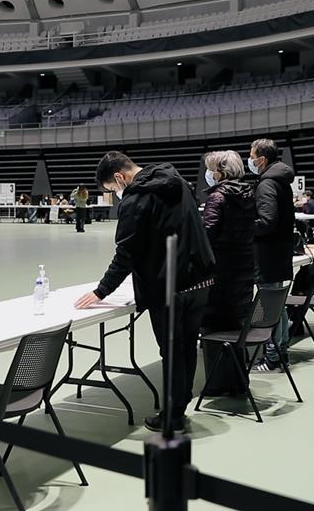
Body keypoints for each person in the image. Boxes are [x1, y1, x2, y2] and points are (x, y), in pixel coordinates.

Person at [74, 152, 214, 433]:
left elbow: (127, 252)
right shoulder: (179, 183)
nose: (115, 195)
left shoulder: (137, 198)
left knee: (173, 352)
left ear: (119, 178)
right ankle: (179, 406)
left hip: (170, 286)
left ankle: (173, 417)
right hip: (200, 279)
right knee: (187, 348)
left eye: (112, 190)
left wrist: (102, 291)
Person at [200, 150, 255, 396]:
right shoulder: (249, 194)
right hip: (243, 269)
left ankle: (216, 383)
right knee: (235, 328)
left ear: (219, 173)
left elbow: (207, 234)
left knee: (212, 328)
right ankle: (238, 381)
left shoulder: (218, 197)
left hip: (220, 274)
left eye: (211, 169)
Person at [248, 138, 295, 371]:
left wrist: (243, 227)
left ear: (262, 159)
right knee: (277, 306)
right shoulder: (280, 181)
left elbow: (266, 221)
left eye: (252, 155)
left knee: (269, 306)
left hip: (267, 254)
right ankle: (280, 352)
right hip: (278, 253)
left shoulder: (266, 184)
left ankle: (273, 357)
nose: (250, 160)